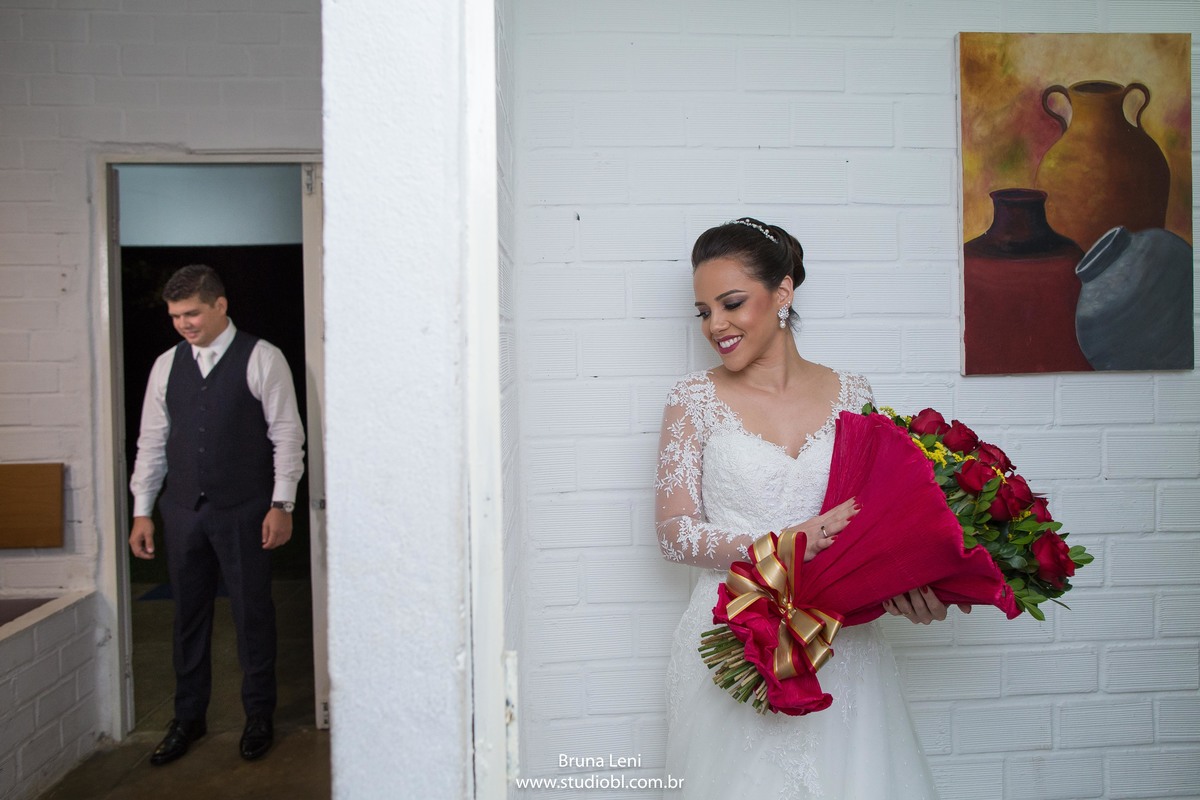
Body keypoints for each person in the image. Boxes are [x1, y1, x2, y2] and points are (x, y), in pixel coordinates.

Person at [656, 219, 956, 798]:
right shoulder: (693, 399)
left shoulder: (853, 393)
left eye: (731, 303)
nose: (715, 325)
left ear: (784, 293)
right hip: (731, 636)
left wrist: (912, 587)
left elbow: (876, 521)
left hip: (844, 645)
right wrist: (780, 543)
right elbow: (673, 532)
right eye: (703, 311)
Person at [128, 264, 305, 765]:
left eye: (192, 313)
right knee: (186, 617)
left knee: (253, 613)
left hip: (245, 509)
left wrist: (282, 503)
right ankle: (188, 717)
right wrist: (142, 511)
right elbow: (152, 441)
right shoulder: (165, 365)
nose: (183, 323)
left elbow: (287, 436)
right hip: (183, 511)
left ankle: (258, 716)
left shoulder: (263, 357)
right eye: (175, 316)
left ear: (220, 305)